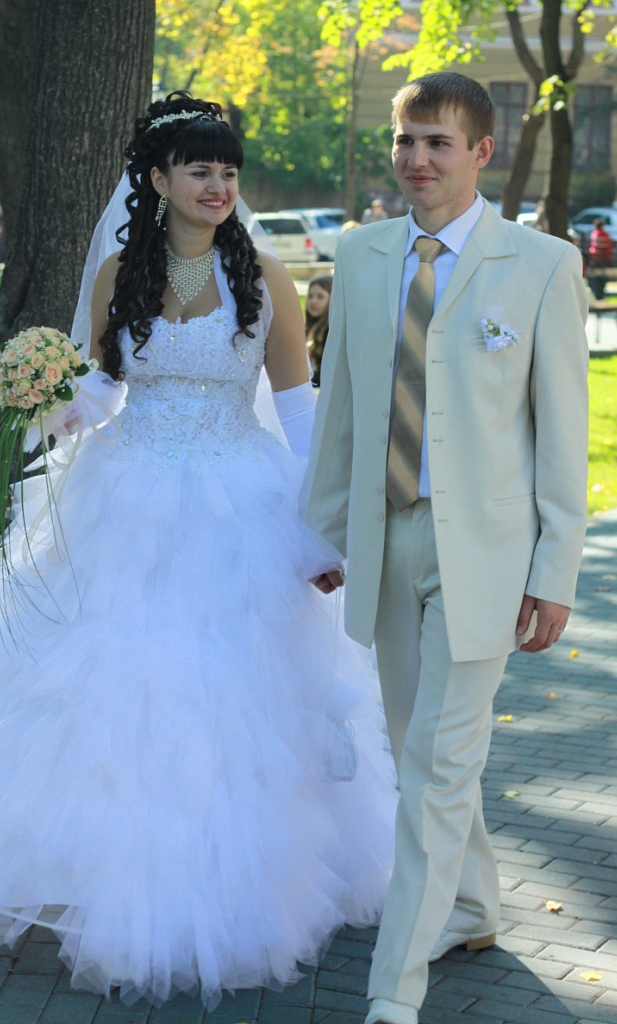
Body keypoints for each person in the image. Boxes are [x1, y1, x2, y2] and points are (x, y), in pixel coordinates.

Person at [0, 93, 397, 1008]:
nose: (217, 186)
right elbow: (109, 389)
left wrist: (318, 529)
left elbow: (297, 409)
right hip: (124, 497)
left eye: (227, 171)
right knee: (114, 694)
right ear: (158, 180)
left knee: (224, 700)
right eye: (198, 170)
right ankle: (103, 873)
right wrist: (58, 402)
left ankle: (224, 888)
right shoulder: (119, 273)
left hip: (237, 505)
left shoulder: (266, 277)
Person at [301, 72, 588, 1024]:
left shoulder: (541, 265)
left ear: (481, 153)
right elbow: (342, 408)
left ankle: (395, 988)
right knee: (414, 750)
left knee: (434, 768)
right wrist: (324, 531)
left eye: (438, 143)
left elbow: (563, 436)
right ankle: (470, 907)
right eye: (405, 141)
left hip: (489, 558)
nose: (417, 160)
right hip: (386, 541)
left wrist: (554, 572)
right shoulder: (362, 254)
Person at [304, 273, 333, 387]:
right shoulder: (308, 329)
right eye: (310, 296)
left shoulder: (329, 333)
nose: (313, 301)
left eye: (320, 297)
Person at [587, 217, 613, 300]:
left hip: (595, 258)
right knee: (602, 275)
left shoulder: (594, 234)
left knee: (595, 275)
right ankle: (600, 293)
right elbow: (609, 246)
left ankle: (597, 292)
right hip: (605, 258)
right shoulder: (606, 234)